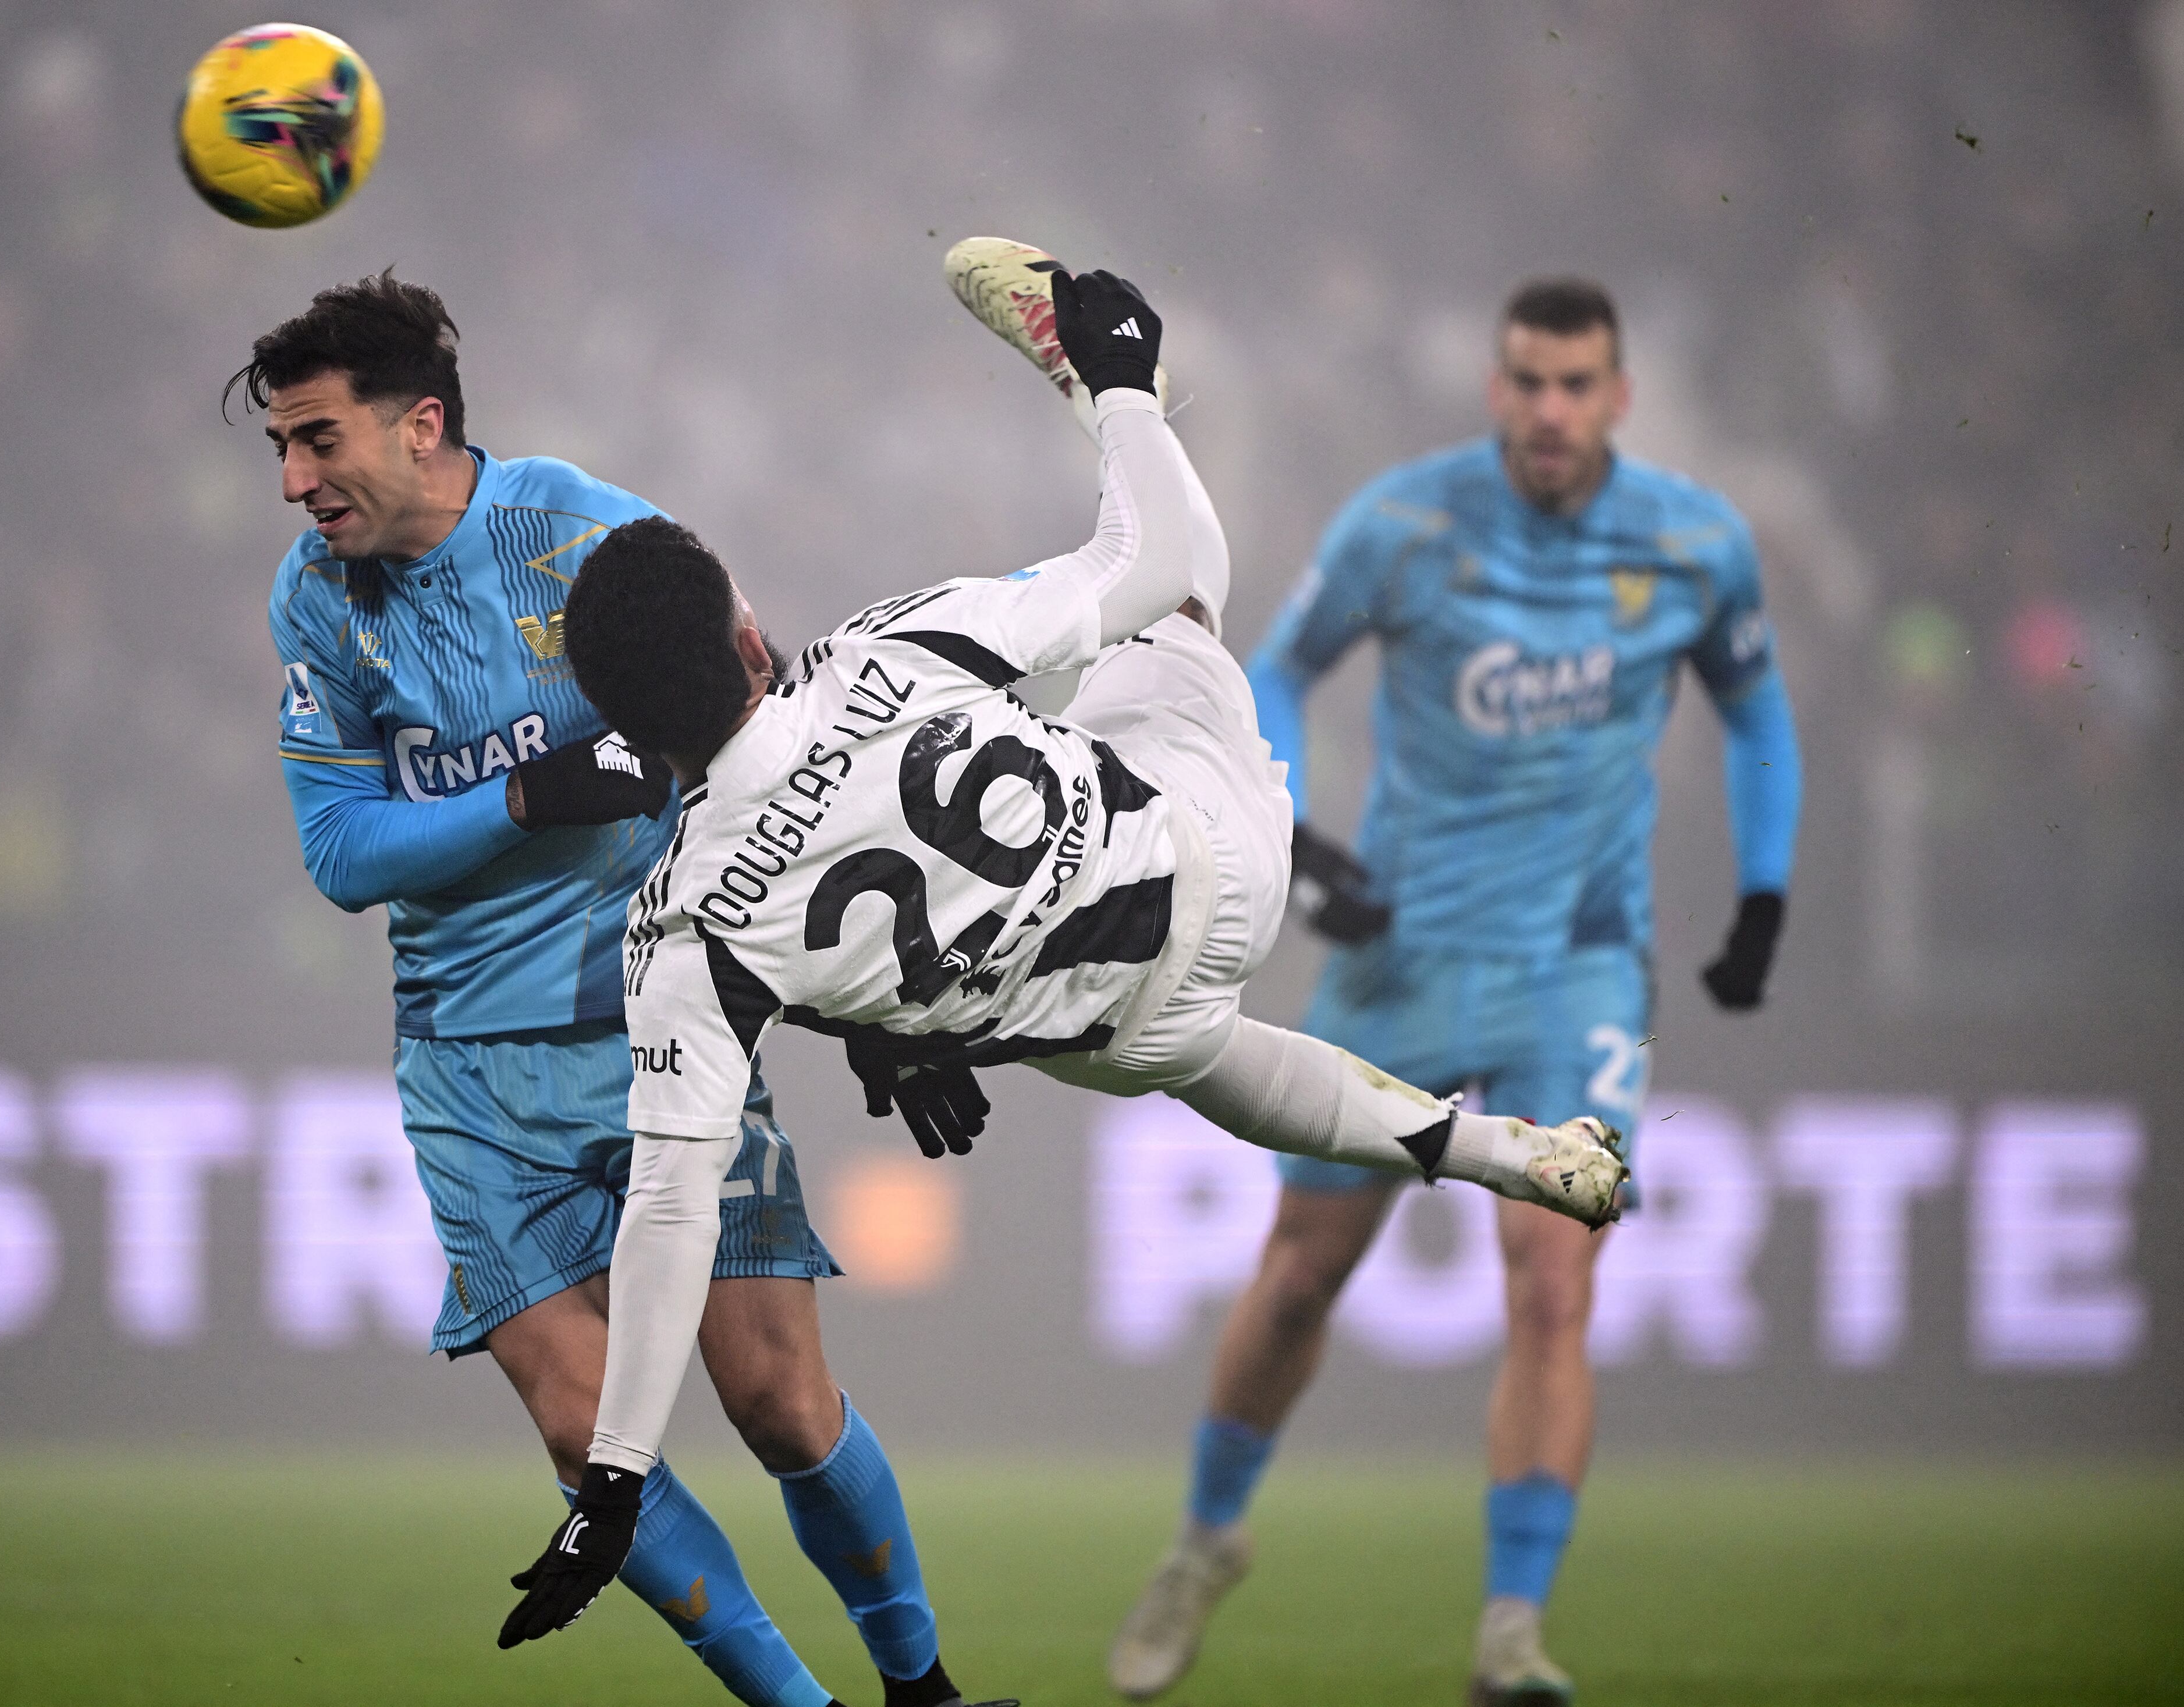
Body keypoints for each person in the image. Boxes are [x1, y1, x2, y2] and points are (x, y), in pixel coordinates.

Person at [493, 247, 1630, 1646]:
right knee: (1177, 598)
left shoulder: (680, 933)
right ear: (748, 633)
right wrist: (1126, 391)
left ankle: (1487, 1153)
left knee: (1189, 1050)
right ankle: (1103, 379)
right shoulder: (877, 654)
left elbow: (671, 1207)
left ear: (624, 723)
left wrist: (615, 1475)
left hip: (1107, 1037)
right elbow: (1144, 562)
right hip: (1215, 861)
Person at [241, 270, 1009, 1707]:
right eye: (281, 448)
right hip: (470, 1069)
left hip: (667, 1026)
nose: (294, 482)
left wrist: (861, 999)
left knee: (780, 1403)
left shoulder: (579, 536)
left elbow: (777, 746)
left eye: (317, 440)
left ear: (419, 427)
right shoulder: (317, 605)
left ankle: (923, 1690)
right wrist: (530, 796)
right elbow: (343, 856)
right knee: (590, 1433)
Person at [1107, 278, 1805, 1706]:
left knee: (1553, 1284)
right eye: (1527, 383)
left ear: (1618, 396)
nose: (1549, 411)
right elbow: (1276, 674)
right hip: (1403, 960)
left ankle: (1508, 1637)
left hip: (1578, 973)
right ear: (1497, 390)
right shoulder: (1406, 525)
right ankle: (1203, 1539)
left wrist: (1766, 889)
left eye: (1575, 385)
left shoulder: (1692, 542)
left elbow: (1757, 720)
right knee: (1300, 1278)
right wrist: (1300, 845)